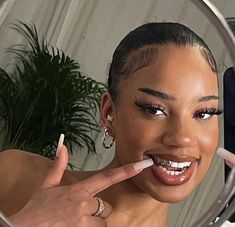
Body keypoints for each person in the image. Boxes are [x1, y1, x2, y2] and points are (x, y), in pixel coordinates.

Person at [0, 22, 230, 226]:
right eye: (154, 110)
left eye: (204, 113)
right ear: (109, 112)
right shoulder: (14, 175)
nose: (182, 138)